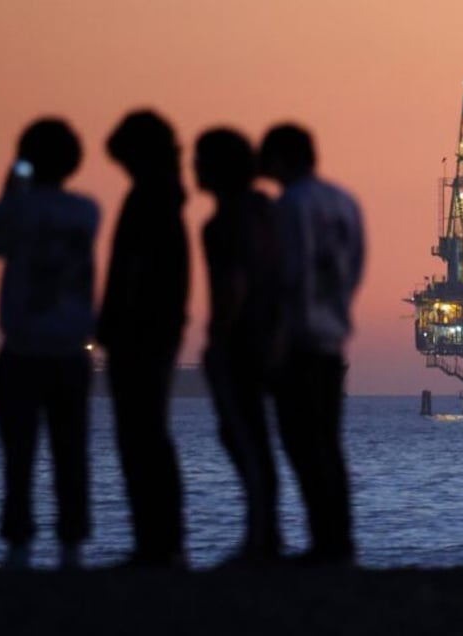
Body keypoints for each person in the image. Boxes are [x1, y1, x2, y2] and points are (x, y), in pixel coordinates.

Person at [0, 118, 99, 570]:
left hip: (24, 349)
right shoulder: (87, 210)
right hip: (71, 351)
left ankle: (19, 546)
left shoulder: (20, 210)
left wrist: (13, 187)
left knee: (19, 455)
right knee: (71, 452)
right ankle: (72, 546)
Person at [257, 123, 365, 565]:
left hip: (297, 340)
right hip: (331, 337)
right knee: (329, 443)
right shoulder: (344, 203)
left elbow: (292, 272)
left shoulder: (290, 205)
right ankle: (338, 540)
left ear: (281, 159)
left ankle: (323, 543)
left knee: (301, 443)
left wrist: (278, 336)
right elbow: (356, 265)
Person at [97, 110, 189, 568]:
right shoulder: (166, 200)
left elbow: (133, 273)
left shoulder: (147, 201)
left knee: (141, 437)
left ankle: (157, 544)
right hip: (154, 334)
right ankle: (162, 540)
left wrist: (113, 324)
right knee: (150, 435)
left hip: (140, 337)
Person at [195, 128, 282, 565]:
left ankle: (259, 538)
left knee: (241, 437)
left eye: (201, 160)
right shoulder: (270, 213)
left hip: (241, 344)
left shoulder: (224, 223)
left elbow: (231, 285)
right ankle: (268, 534)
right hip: (275, 339)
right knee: (260, 443)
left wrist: (216, 341)